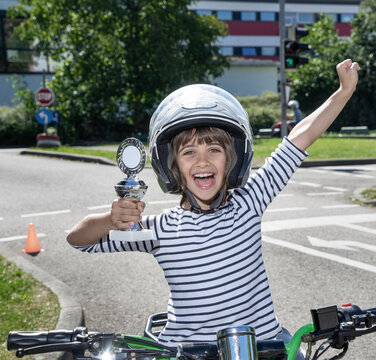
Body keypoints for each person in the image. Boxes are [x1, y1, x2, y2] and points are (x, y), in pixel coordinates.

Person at [66, 59, 360, 349]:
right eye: (189, 152)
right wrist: (110, 219)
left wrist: (343, 92)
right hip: (186, 352)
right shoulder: (160, 229)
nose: (203, 160)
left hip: (264, 348)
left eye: (214, 149)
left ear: (232, 161)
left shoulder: (249, 202)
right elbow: (78, 239)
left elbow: (299, 139)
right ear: (172, 166)